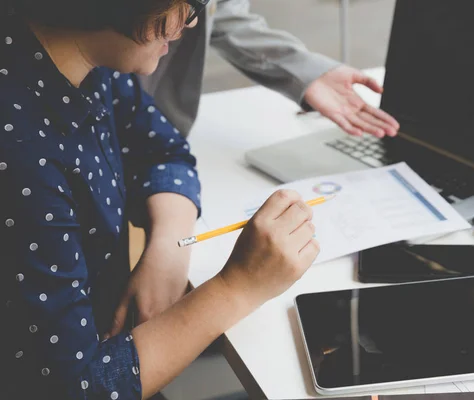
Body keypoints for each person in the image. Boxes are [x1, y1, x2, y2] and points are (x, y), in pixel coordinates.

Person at [0, 1, 320, 398]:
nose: (192, 20)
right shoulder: (21, 155)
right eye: (185, 5)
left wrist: (168, 248)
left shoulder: (86, 56)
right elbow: (77, 389)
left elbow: (163, 151)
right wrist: (239, 286)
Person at [140, 0, 400, 138]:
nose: (192, 21)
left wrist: (304, 70)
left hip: (157, 143)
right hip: (127, 130)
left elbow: (219, 11)